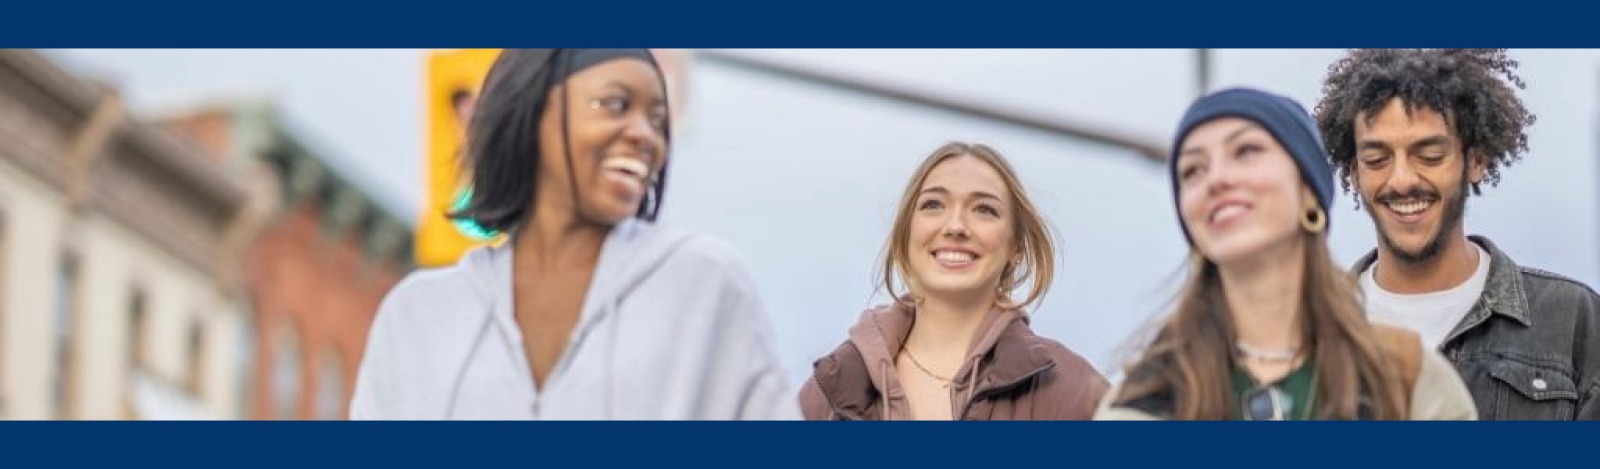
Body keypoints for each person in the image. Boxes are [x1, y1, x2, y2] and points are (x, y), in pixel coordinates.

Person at [351, 49, 795, 420]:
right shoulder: (416, 318)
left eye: (657, 120)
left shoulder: (702, 285)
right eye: (615, 105)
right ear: (532, 112)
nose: (645, 136)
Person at [1097, 88, 1475, 420]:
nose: (1217, 179)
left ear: (1309, 191)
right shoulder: (1145, 399)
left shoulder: (1405, 376)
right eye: (1193, 170)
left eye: (1246, 151)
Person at [1315, 48, 1600, 420]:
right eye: (1376, 160)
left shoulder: (1571, 319)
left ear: (1476, 161)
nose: (1401, 180)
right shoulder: (1312, 329)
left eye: (1429, 156)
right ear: (1354, 172)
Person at [798, 142, 1107, 420]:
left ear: (1016, 248)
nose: (956, 226)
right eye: (933, 205)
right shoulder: (827, 391)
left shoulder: (1076, 393)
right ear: (906, 234)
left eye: (984, 210)